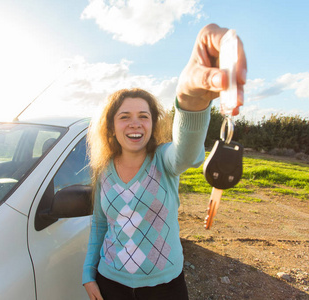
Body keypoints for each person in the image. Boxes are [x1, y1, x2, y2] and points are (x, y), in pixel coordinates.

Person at [82, 23, 247, 300]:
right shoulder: (104, 170)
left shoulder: (163, 160)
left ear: (152, 124)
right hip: (109, 281)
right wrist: (89, 274)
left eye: (143, 116)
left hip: (165, 287)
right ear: (111, 127)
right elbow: (100, 225)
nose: (135, 123)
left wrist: (190, 100)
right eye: (124, 116)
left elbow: (186, 150)